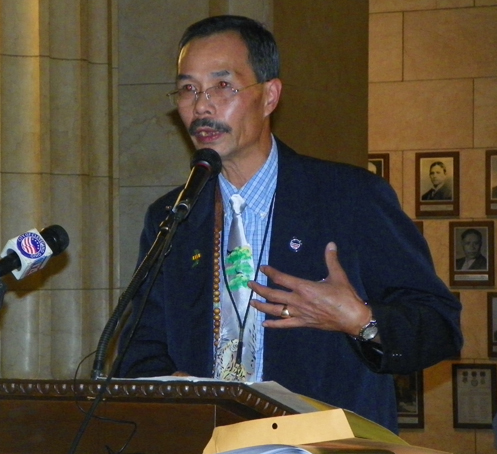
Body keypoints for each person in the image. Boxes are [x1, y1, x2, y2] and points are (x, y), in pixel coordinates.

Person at [116, 15, 462, 434]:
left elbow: (440, 327)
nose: (201, 106)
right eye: (189, 89)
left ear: (269, 96)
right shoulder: (172, 216)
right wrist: (174, 390)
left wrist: (360, 320)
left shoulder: (350, 197)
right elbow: (139, 348)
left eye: (222, 86)